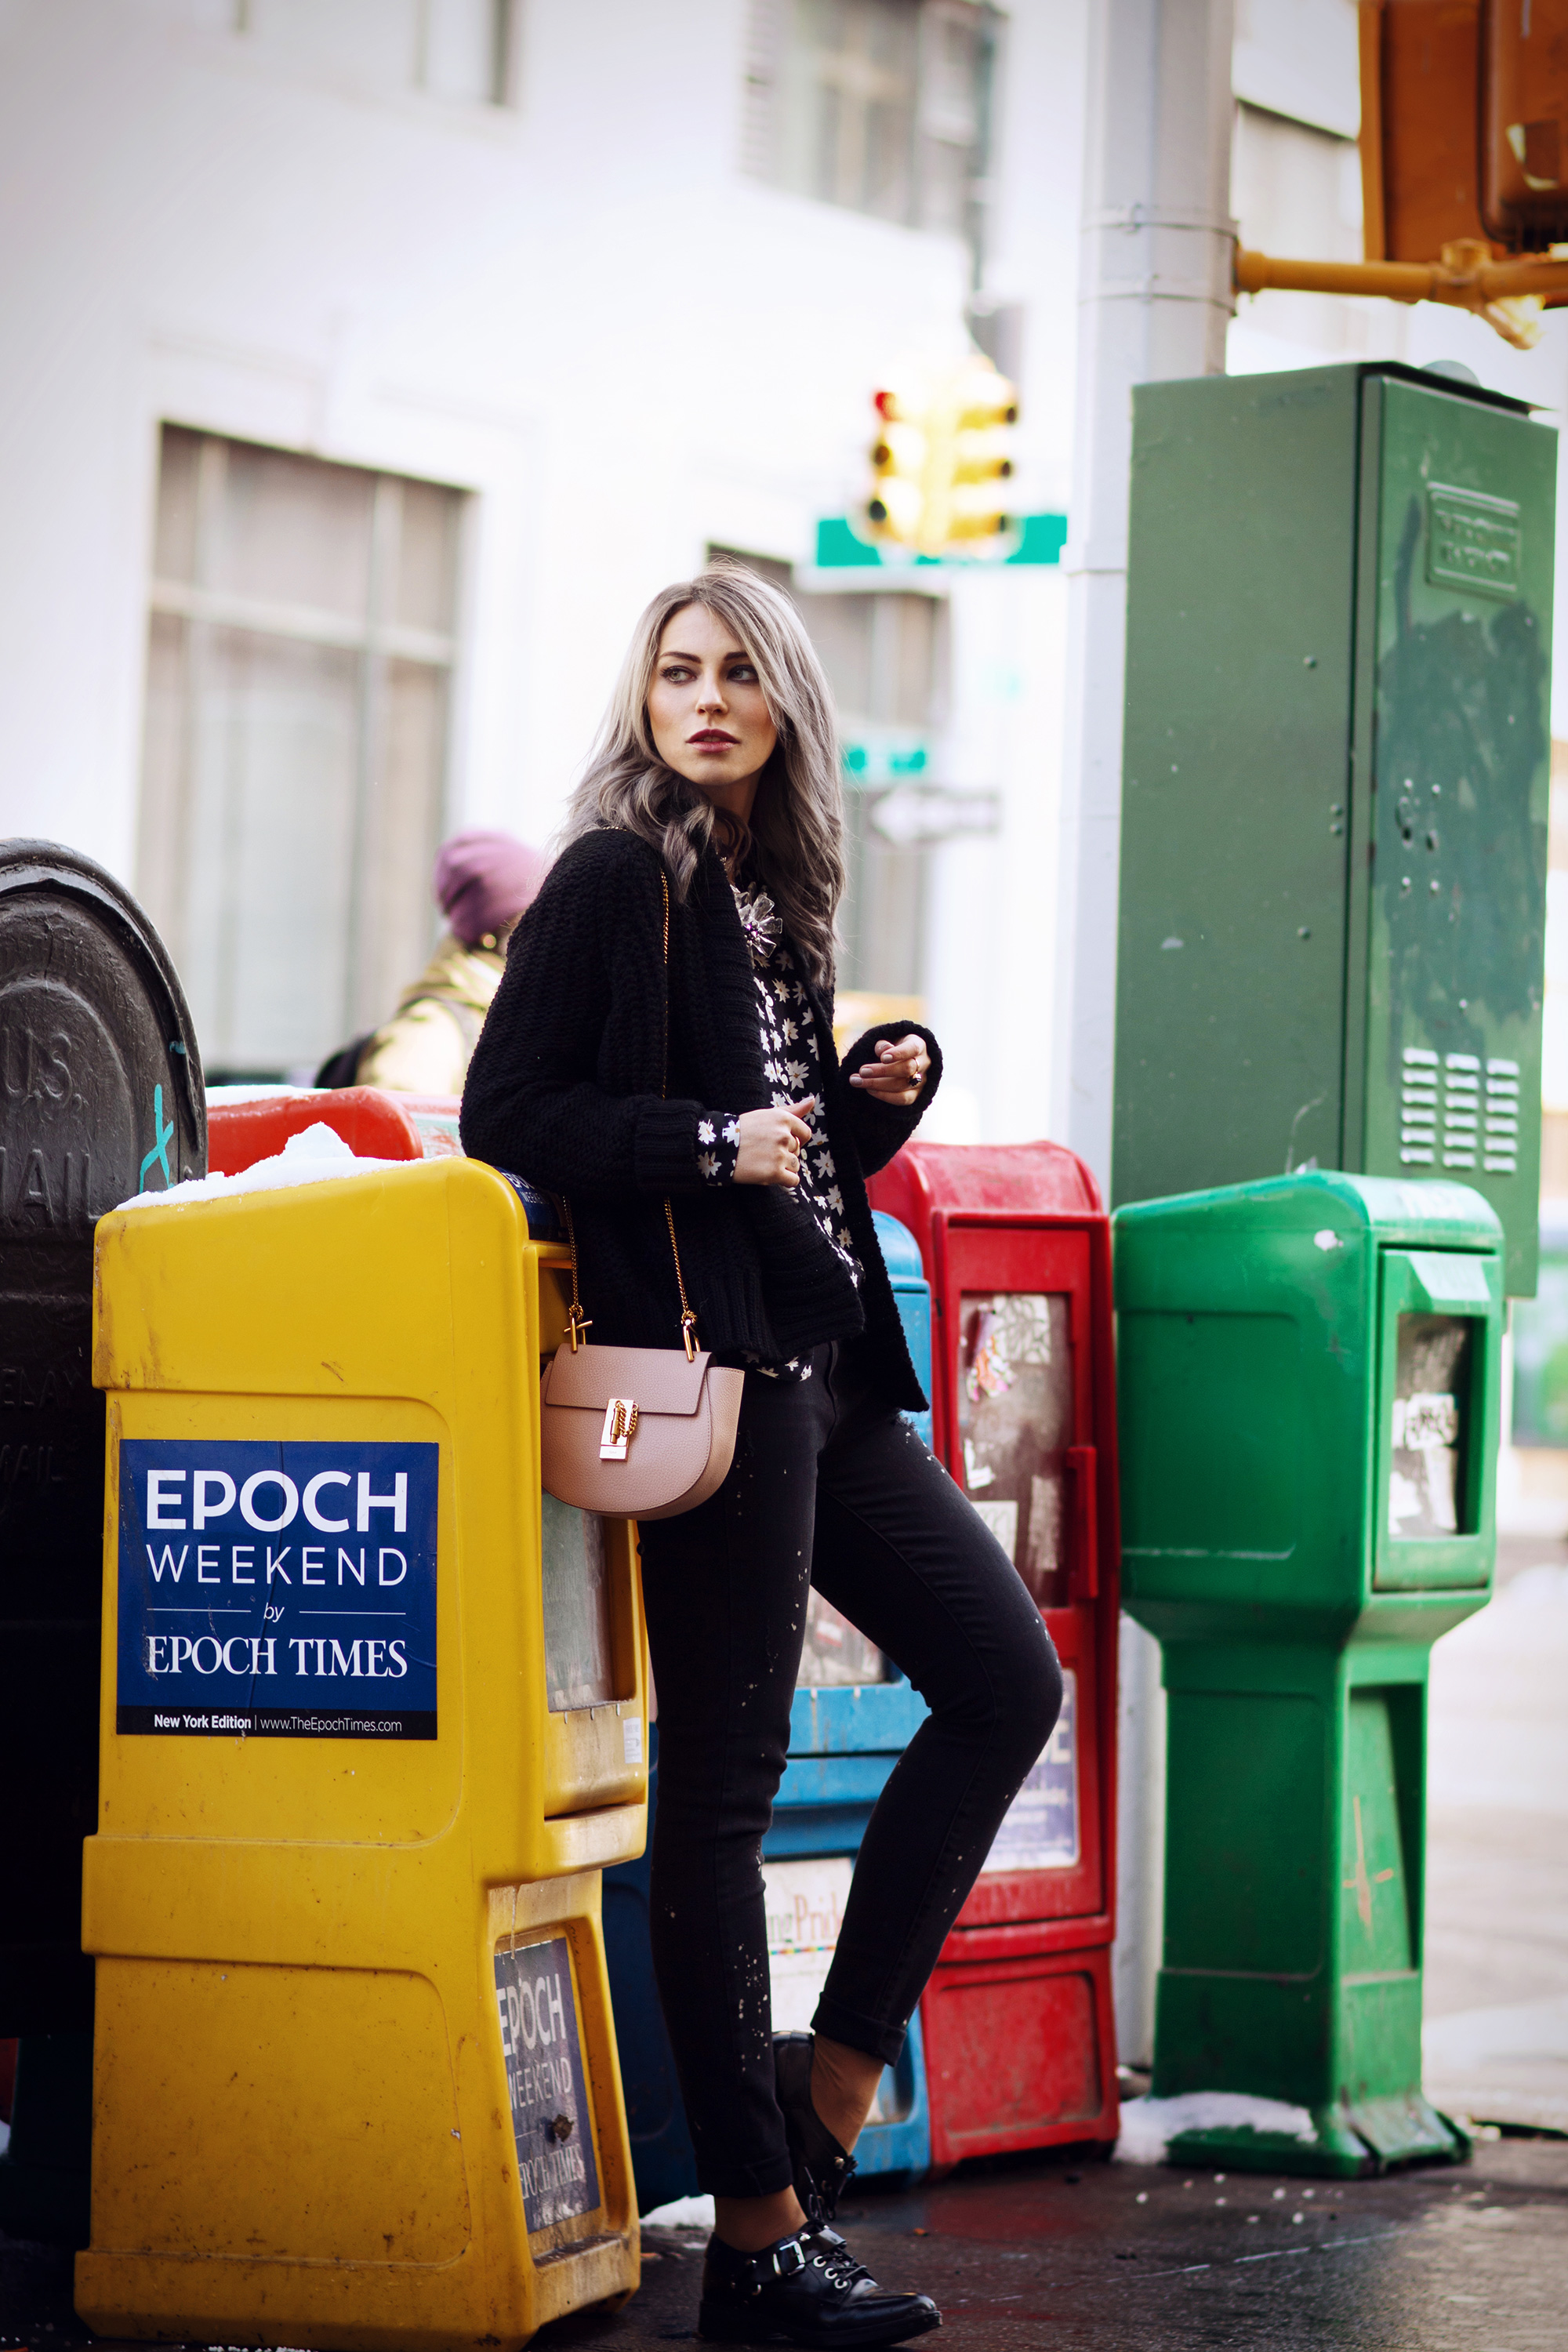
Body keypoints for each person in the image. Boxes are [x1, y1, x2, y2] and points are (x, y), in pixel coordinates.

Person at [461, 564, 1062, 2348]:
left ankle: (827, 2095)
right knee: (718, 1795)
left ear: (785, 700)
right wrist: (713, 1132)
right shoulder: (613, 874)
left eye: (737, 671)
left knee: (998, 1677)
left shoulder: (776, 894)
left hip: (825, 1374)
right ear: (640, 697)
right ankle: (753, 2235)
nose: (705, 696)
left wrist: (856, 1118)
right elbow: (514, 1112)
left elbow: (790, 1178)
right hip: (709, 1379)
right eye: (675, 669)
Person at [316, 829, 546, 1092]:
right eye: (533, 915)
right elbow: (392, 1128)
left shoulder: (505, 1014)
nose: (551, 926)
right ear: (491, 934)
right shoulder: (429, 1036)